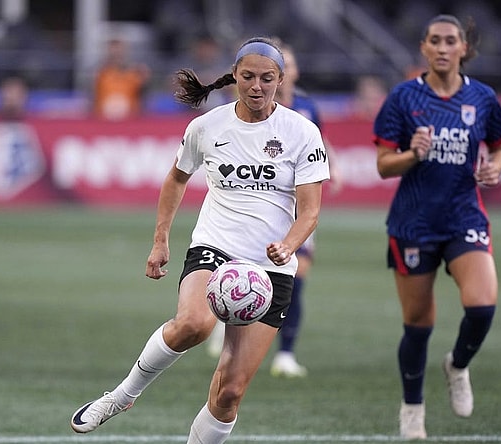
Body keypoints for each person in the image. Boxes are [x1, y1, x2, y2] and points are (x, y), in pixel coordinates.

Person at [71, 36, 329, 443]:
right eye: (248, 76)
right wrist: (160, 240)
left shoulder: (302, 132)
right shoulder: (207, 126)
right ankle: (122, 396)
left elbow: (310, 211)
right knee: (194, 324)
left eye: (267, 78)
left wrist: (288, 245)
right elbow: (176, 179)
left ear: (280, 80)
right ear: (234, 75)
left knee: (229, 394)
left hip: (270, 267)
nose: (256, 86)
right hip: (216, 246)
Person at [372, 14, 501, 440]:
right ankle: (412, 407)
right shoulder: (403, 97)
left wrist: (495, 167)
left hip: (464, 216)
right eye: (435, 40)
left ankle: (458, 365)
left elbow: (499, 146)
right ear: (424, 48)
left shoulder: (483, 98)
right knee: (418, 324)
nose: (443, 47)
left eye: (451, 40)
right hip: (413, 222)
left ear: (463, 48)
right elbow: (383, 165)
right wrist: (412, 154)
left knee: (482, 305)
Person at [206, 39, 339, 378]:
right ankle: (229, 309)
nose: (288, 72)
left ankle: (285, 353)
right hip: (256, 208)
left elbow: (320, 144)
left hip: (296, 208)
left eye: (290, 66)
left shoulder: (306, 110)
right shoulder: (244, 109)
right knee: (246, 267)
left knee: (297, 275)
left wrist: (330, 167)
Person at [92, 38, 151, 120]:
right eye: (113, 51)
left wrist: (146, 81)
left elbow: (143, 95)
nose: (116, 54)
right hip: (104, 117)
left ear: (125, 52)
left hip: (130, 117)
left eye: (119, 51)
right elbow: (93, 96)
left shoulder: (136, 72)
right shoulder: (100, 72)